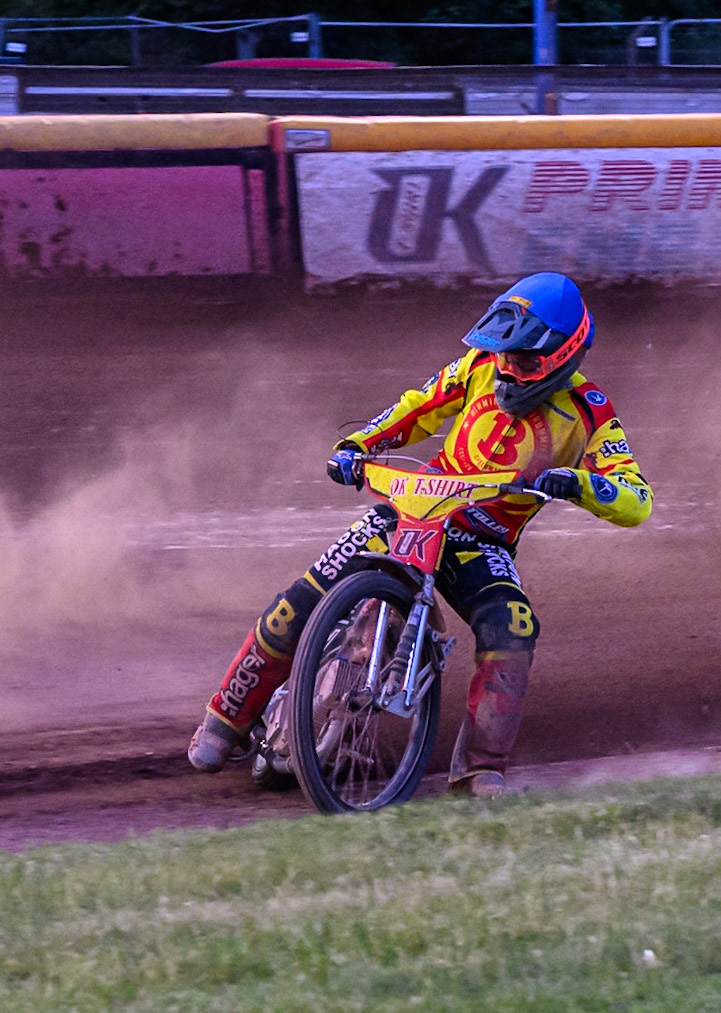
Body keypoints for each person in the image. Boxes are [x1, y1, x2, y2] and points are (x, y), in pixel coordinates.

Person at [186, 272, 652, 796]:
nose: (507, 371)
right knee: (297, 602)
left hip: (482, 541)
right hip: (411, 508)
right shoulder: (477, 367)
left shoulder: (591, 413)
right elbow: (417, 408)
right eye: (503, 356)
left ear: (562, 357)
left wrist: (579, 483)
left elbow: (636, 499)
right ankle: (225, 719)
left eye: (523, 361)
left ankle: (480, 769)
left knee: (514, 628)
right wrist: (358, 444)